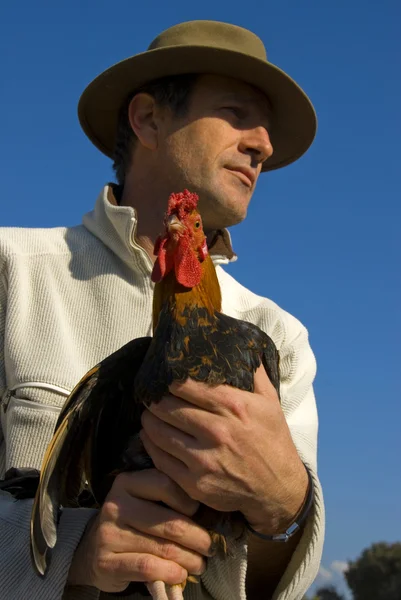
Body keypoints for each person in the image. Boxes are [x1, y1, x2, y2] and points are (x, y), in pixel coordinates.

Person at [0, 19, 324, 600]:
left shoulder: (279, 335)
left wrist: (284, 503)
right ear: (148, 119)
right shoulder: (11, 269)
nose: (264, 145)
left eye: (267, 129)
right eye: (236, 111)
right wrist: (72, 553)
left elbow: (283, 580)